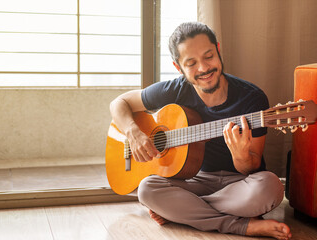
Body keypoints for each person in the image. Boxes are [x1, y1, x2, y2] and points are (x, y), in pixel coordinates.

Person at [109, 22, 292, 240]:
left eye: (209, 56)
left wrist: (242, 157)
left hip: (238, 185)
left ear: (218, 50)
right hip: (194, 181)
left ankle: (184, 212)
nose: (204, 68)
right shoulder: (174, 90)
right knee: (147, 189)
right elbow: (119, 103)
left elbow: (251, 168)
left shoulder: (252, 98)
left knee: (271, 187)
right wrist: (133, 133)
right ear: (179, 67)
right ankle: (239, 226)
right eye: (191, 63)